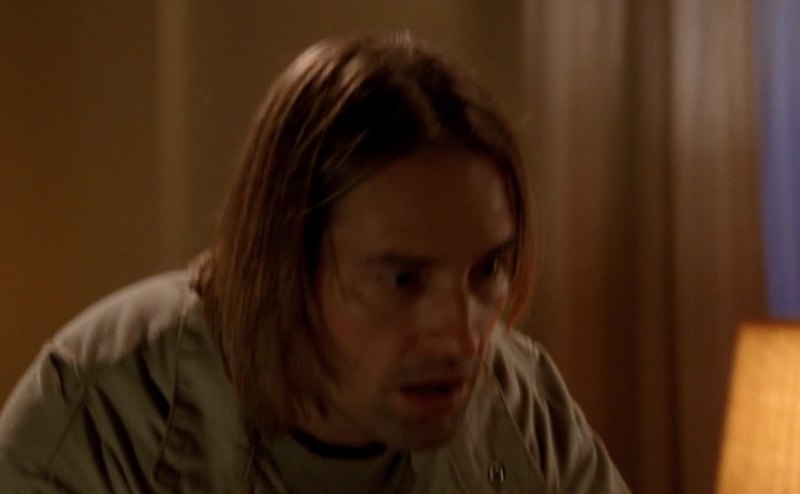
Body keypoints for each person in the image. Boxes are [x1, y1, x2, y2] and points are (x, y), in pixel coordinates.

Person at [0, 33, 629, 492]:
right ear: (285, 261)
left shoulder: (517, 405)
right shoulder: (101, 411)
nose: (465, 339)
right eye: (403, 279)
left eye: (486, 270)